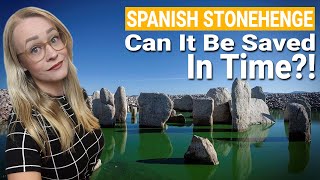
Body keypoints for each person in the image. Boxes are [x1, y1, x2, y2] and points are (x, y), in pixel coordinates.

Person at [3, 7, 104, 180]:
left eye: (54, 39)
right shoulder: (24, 128)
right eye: (35, 49)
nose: (52, 53)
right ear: (21, 63)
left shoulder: (80, 95)